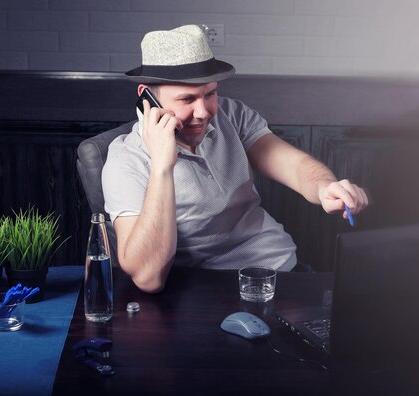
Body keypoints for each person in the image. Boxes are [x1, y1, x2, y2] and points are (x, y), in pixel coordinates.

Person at [102, 25, 369, 293]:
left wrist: (325, 186)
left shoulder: (232, 114)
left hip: (278, 270)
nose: (203, 112)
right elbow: (149, 278)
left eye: (210, 94)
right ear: (147, 98)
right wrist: (162, 166)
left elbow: (294, 165)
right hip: (203, 292)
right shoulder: (126, 158)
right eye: (186, 98)